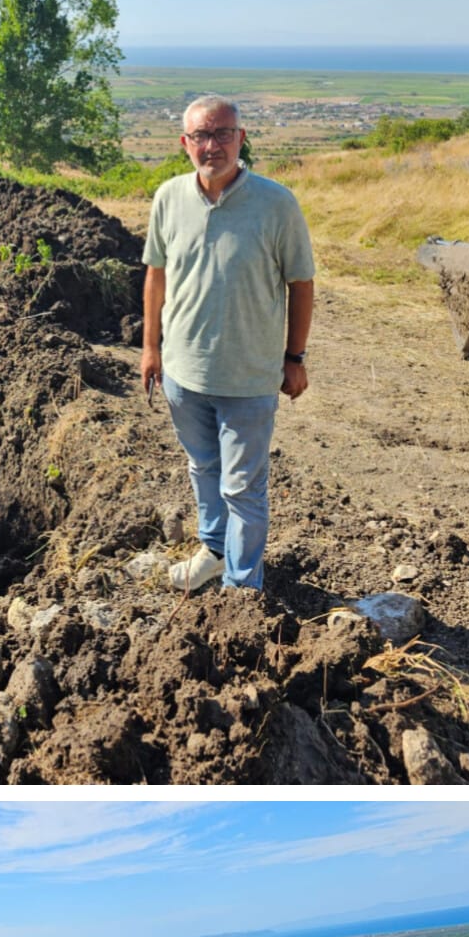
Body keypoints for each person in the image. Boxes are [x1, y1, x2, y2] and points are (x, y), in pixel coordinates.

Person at [140, 94, 315, 594]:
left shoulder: (276, 204)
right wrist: (151, 349)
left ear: (241, 139)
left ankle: (242, 590)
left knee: (243, 489)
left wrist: (294, 357)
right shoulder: (168, 198)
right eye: (200, 136)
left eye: (222, 134)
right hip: (182, 373)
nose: (211, 145)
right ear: (185, 144)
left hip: (249, 377)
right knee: (203, 468)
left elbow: (301, 284)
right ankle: (214, 552)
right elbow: (156, 275)